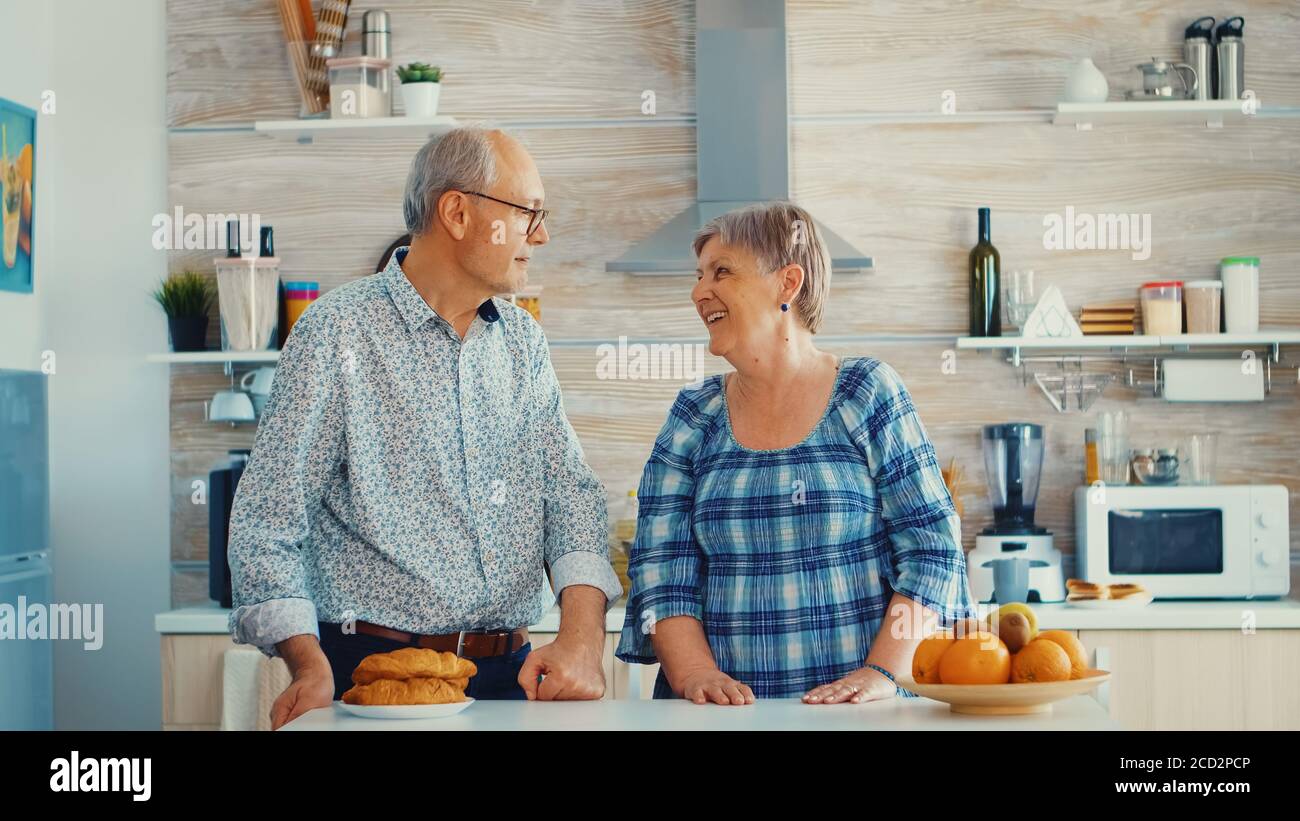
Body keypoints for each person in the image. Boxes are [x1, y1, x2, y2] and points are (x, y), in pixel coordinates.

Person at [228, 127, 622, 729]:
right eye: (528, 213)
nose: (540, 234)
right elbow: (266, 521)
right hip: (374, 680)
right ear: (457, 212)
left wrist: (581, 639)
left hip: (511, 677)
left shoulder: (522, 343)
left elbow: (569, 496)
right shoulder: (336, 332)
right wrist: (308, 666)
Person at [615, 202, 974, 705]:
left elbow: (933, 550)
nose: (699, 292)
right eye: (698, 276)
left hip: (860, 715)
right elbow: (659, 566)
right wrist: (694, 672)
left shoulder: (867, 393)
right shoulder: (694, 415)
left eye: (722, 272)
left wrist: (881, 673)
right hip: (717, 718)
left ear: (788, 283)